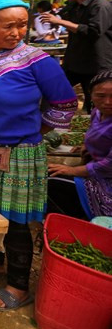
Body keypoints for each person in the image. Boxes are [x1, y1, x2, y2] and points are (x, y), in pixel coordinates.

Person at [0, 0, 76, 311]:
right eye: (8, 26)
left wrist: (36, 132)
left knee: (16, 220)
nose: (16, 32)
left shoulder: (38, 61)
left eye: (22, 25)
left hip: (18, 153)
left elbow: (65, 105)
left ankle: (19, 285)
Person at [41, 0, 112, 112]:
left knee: (94, 104)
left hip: (96, 64)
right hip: (74, 63)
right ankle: (45, 125)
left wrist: (61, 22)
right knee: (51, 88)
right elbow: (62, 17)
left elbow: (93, 31)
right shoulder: (73, 7)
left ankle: (95, 131)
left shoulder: (100, 6)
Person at [48, 71, 112, 219]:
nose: (107, 102)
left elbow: (109, 164)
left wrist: (73, 170)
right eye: (101, 96)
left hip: (107, 182)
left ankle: (81, 225)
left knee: (52, 184)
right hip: (96, 171)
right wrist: (88, 145)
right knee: (49, 174)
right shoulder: (98, 112)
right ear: (90, 94)